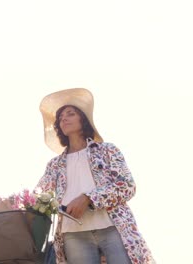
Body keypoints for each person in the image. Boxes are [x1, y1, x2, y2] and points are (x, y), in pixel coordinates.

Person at [36, 88, 155, 264]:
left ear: (83, 120)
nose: (64, 119)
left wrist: (88, 198)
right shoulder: (54, 165)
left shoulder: (108, 150)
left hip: (113, 227)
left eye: (70, 114)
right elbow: (40, 197)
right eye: (60, 118)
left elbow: (127, 186)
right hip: (73, 235)